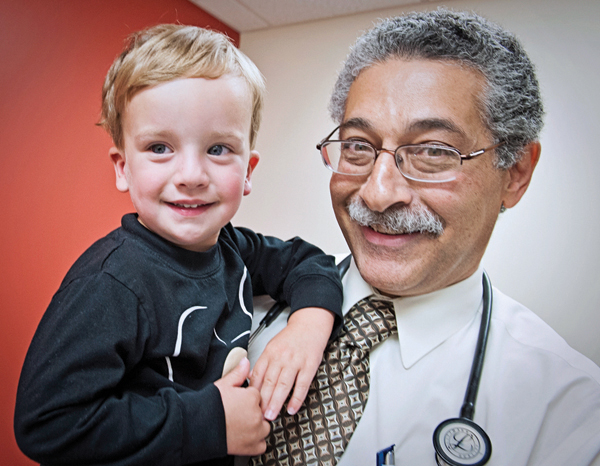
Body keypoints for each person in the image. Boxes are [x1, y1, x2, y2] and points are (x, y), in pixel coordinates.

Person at [247, 9, 600, 466]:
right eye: (357, 146)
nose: (377, 194)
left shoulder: (569, 415)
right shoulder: (242, 301)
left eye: (433, 152)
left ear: (515, 174)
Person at [14, 24, 344, 466]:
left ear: (248, 171)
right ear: (123, 167)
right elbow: (48, 423)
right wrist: (210, 422)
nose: (191, 174)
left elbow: (308, 261)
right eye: (159, 147)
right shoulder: (111, 284)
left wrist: (309, 326)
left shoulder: (231, 247)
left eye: (219, 149)